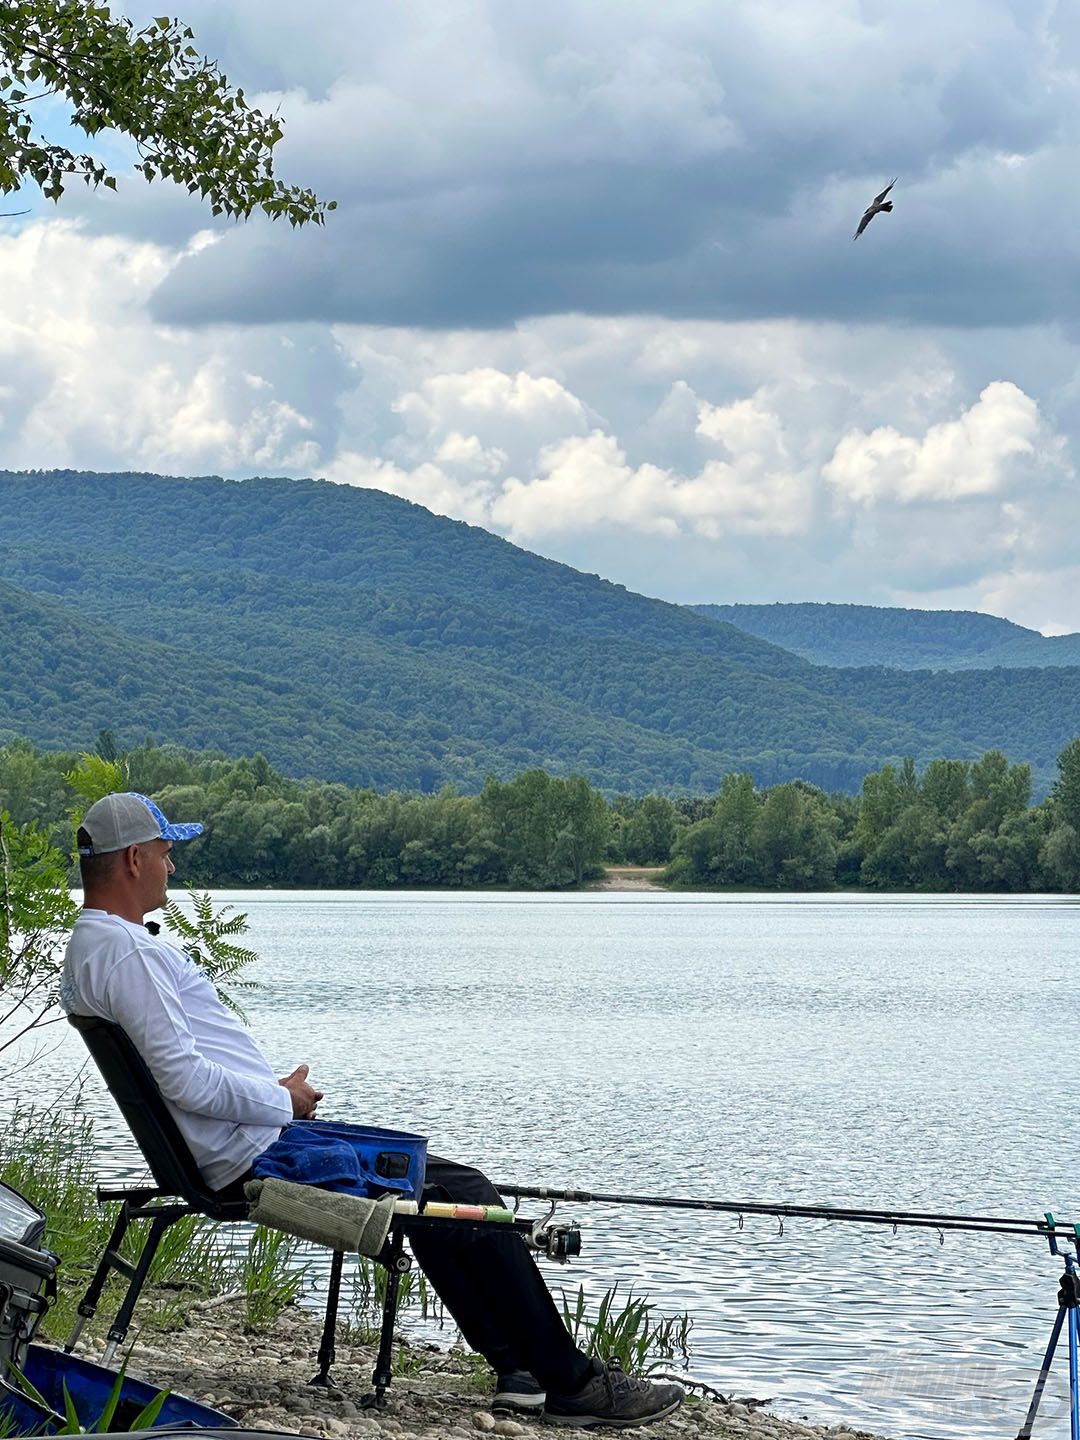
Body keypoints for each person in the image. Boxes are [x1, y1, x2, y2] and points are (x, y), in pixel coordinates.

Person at [61, 792, 684, 1430]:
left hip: (233, 1141)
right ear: (135, 858)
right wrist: (284, 1099)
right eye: (167, 854)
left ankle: (518, 1369)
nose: (173, 868)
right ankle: (572, 1383)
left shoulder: (91, 947)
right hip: (254, 1152)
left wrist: (267, 1088)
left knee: (435, 1185)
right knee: (461, 1195)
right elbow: (187, 1080)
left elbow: (179, 1074)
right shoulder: (129, 953)